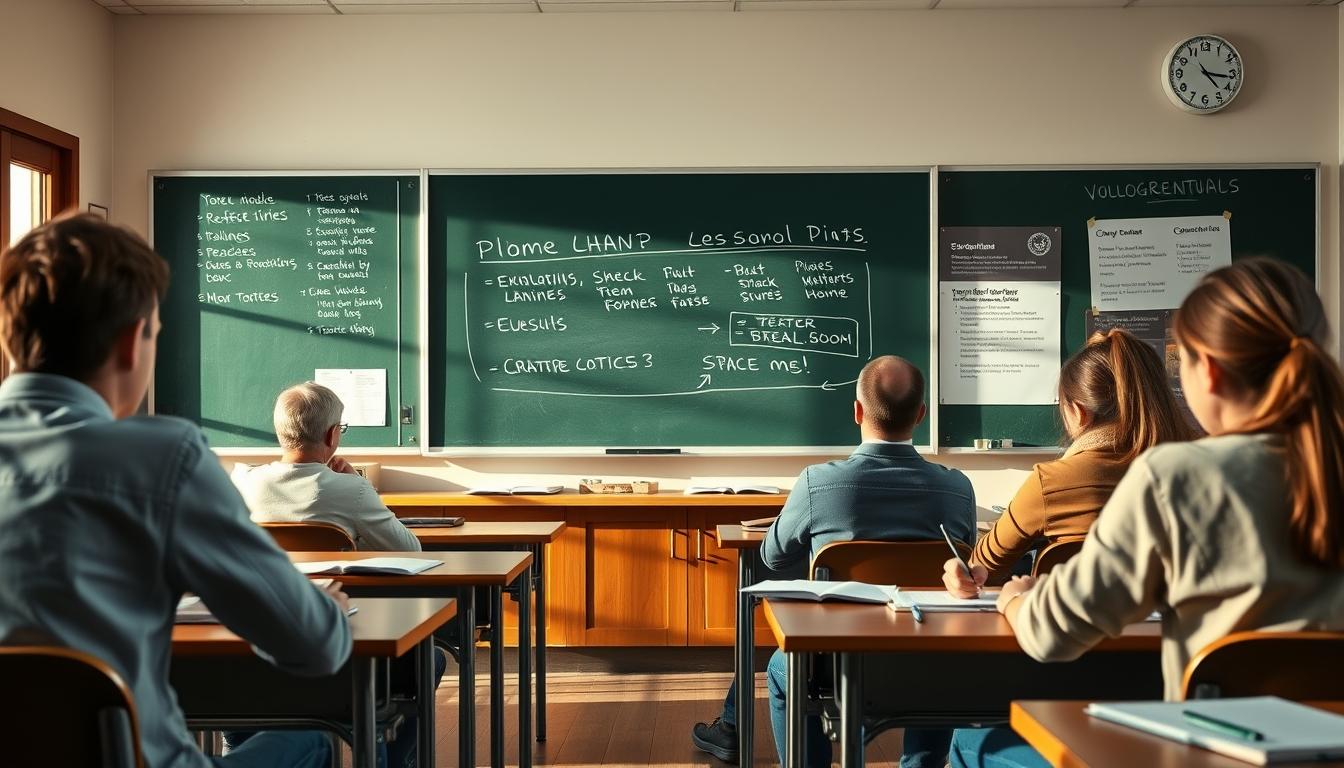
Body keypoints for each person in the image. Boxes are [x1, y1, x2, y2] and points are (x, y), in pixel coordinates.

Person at [949, 258, 1344, 768]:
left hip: (1210, 753)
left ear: (1212, 372)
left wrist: (1018, 599)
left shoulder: (1176, 478)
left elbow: (1052, 633)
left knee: (968, 741)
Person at [0, 212, 351, 768]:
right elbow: (315, 648)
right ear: (129, 342)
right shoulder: (161, 460)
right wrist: (320, 610)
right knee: (313, 740)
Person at [691, 355, 977, 768]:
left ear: (857, 411)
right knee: (938, 666)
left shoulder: (818, 483)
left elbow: (771, 557)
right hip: (930, 664)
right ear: (921, 414)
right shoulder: (957, 488)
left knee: (780, 667)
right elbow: (966, 560)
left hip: (834, 669)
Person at [943, 328, 1194, 596]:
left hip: (1073, 633)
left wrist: (958, 572)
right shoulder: (1204, 467)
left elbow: (981, 569)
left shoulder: (1053, 483)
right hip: (1180, 634)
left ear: (1078, 412)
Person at [232, 381, 420, 552]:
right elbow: (411, 550)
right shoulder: (355, 490)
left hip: (263, 588)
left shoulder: (242, 480)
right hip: (333, 589)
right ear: (331, 434)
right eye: (341, 428)